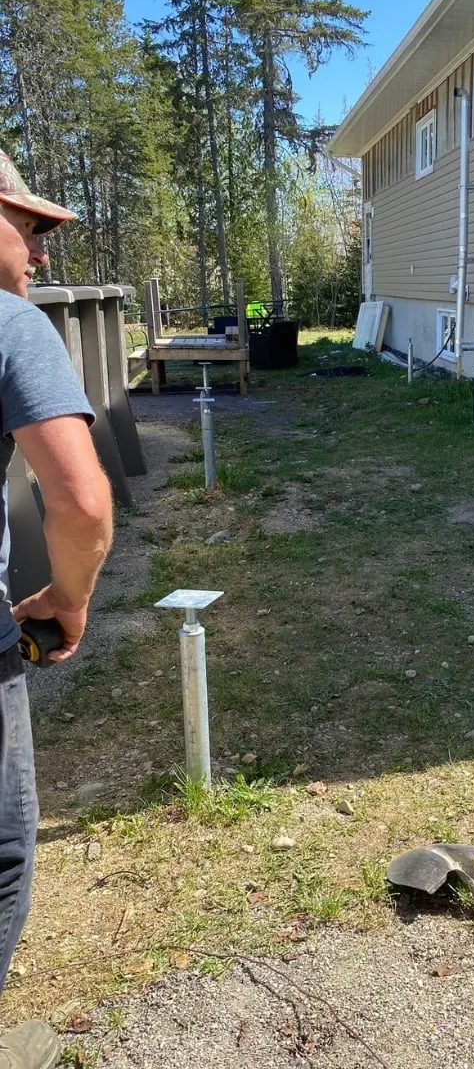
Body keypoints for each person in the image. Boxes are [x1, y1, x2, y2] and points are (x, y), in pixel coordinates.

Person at [0, 151, 113, 1068]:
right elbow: (80, 502)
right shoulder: (9, 324)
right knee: (2, 856)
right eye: (30, 227)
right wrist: (68, 601)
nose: (40, 255)